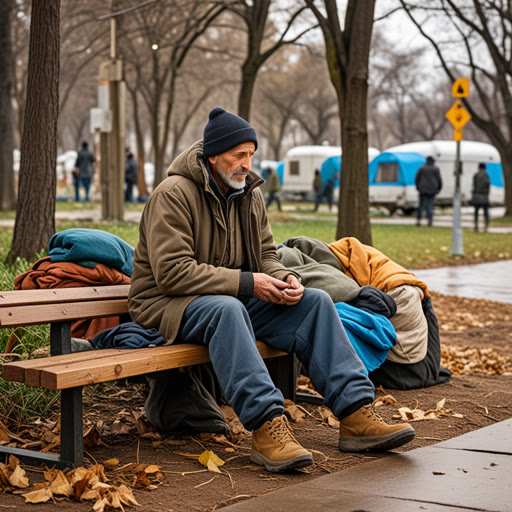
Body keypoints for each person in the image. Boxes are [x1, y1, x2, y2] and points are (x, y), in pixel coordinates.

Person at [128, 107, 415, 473]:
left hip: (227, 298)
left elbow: (265, 254)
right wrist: (249, 283)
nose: (247, 164)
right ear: (213, 155)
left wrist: (282, 278)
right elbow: (171, 273)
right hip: (166, 304)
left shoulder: (249, 193)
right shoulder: (173, 194)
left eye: (251, 154)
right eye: (238, 155)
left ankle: (357, 414)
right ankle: (266, 428)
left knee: (314, 301)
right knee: (225, 310)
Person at [415, 156, 442, 226]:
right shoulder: (436, 169)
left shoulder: (422, 168)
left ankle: (419, 220)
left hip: (422, 189)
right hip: (432, 190)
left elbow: (417, 178)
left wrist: (418, 187)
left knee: (421, 205)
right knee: (430, 206)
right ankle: (429, 221)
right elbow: (439, 179)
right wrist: (439, 188)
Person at [471, 162, 490, 232]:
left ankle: (476, 225)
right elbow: (488, 185)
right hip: (484, 196)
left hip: (477, 196)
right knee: (486, 212)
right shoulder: (486, 175)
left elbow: (474, 185)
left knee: (476, 212)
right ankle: (486, 225)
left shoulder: (476, 175)